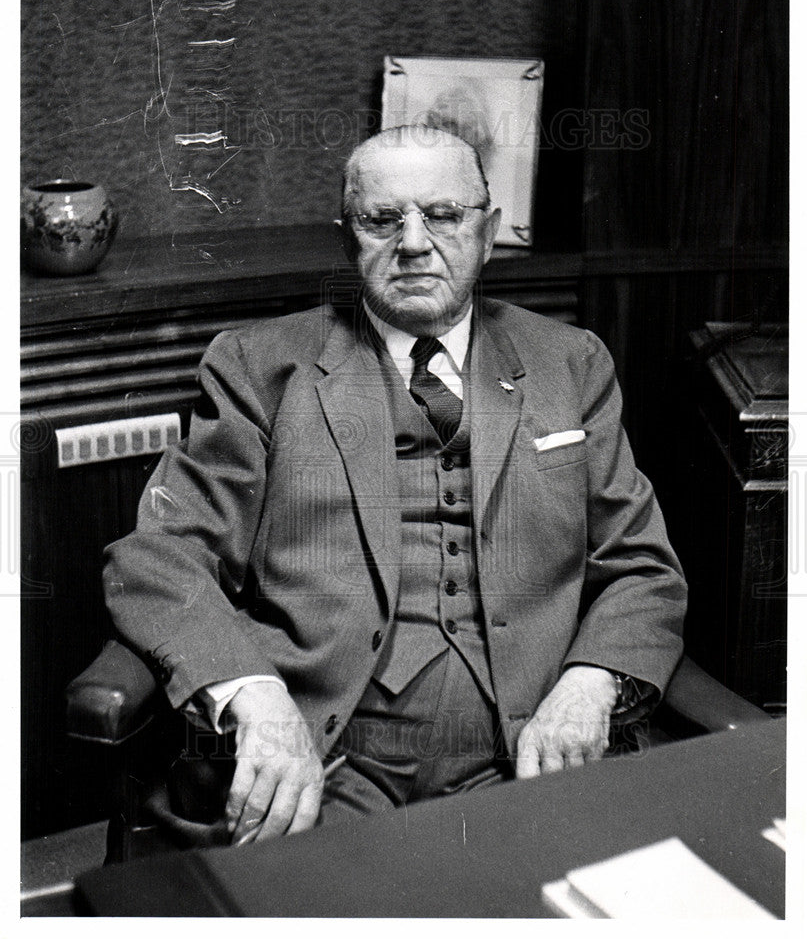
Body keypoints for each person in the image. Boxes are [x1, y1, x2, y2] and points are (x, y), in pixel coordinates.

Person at [104, 125, 687, 846]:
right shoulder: (261, 367)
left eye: (442, 214)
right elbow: (158, 557)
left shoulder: (569, 361)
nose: (413, 244)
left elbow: (642, 569)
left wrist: (590, 683)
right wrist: (254, 697)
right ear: (347, 237)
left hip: (530, 748)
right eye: (382, 220)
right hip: (328, 757)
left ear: (488, 228)